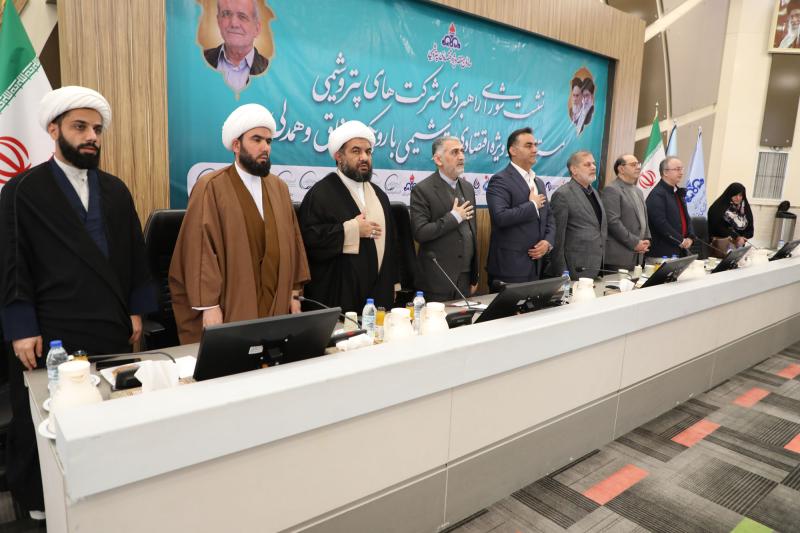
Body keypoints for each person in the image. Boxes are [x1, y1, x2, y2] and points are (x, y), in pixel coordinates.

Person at [0, 86, 156, 519]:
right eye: (80, 127)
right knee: (44, 420)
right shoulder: (22, 190)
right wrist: (21, 327)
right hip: (50, 331)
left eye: (97, 129)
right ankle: (39, 502)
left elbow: (134, 256)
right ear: (54, 130)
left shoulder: (116, 190)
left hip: (109, 323)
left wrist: (136, 310)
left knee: (108, 413)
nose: (91, 137)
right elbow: (12, 264)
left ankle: (106, 490)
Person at [170, 104, 309, 344]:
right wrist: (209, 306)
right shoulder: (211, 186)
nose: (265, 147)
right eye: (257, 139)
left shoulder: (279, 188)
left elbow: (294, 242)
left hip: (276, 304)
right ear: (236, 145)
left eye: (268, 141)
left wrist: (294, 293)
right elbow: (199, 251)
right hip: (230, 307)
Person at [298, 120, 399, 312]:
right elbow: (309, 241)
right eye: (356, 151)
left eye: (368, 152)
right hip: (340, 295)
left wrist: (393, 283)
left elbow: (392, 243)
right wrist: (351, 230)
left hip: (379, 295)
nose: (364, 157)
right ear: (339, 156)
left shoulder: (380, 195)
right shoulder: (320, 194)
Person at [410, 136, 478, 302]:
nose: (461, 157)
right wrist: (454, 217)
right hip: (437, 280)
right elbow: (420, 232)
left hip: (465, 278)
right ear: (438, 160)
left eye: (462, 151)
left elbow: (471, 232)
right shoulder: (422, 190)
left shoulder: (468, 188)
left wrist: (474, 275)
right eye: (454, 152)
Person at [486, 127, 555, 288]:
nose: (535, 150)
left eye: (535, 145)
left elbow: (549, 217)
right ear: (513, 150)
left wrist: (547, 242)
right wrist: (532, 205)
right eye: (528, 145)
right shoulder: (500, 180)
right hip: (510, 267)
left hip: (537, 266)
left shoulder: (538, 182)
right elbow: (500, 217)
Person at [547, 150, 607, 279]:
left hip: (595, 266)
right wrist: (562, 272)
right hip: (575, 269)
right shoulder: (563, 195)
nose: (593, 167)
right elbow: (558, 238)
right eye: (587, 164)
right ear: (574, 170)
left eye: (594, 164)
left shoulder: (594, 192)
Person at [204, 0, 269, 92]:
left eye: (242, 16)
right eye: (226, 14)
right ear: (218, 21)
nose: (234, 23)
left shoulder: (271, 71)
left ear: (257, 29)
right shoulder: (200, 60)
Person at [601, 154, 650, 271]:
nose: (638, 167)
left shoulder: (638, 191)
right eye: (633, 164)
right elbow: (613, 222)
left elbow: (643, 219)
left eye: (638, 164)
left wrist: (647, 239)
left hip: (638, 255)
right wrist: (635, 243)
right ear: (621, 169)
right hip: (619, 257)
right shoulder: (612, 189)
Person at [646, 156, 695, 258]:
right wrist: (680, 240)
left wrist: (690, 237)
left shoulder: (677, 192)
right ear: (665, 172)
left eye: (681, 169)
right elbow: (660, 223)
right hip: (662, 252)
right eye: (677, 169)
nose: (681, 173)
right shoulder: (657, 194)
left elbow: (686, 218)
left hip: (680, 249)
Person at [707, 182, 754, 258]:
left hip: (738, 249)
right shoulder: (718, 207)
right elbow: (717, 227)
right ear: (729, 194)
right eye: (735, 195)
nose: (738, 198)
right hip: (720, 248)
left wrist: (743, 237)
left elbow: (750, 228)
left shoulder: (744, 208)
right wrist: (736, 237)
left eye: (740, 195)